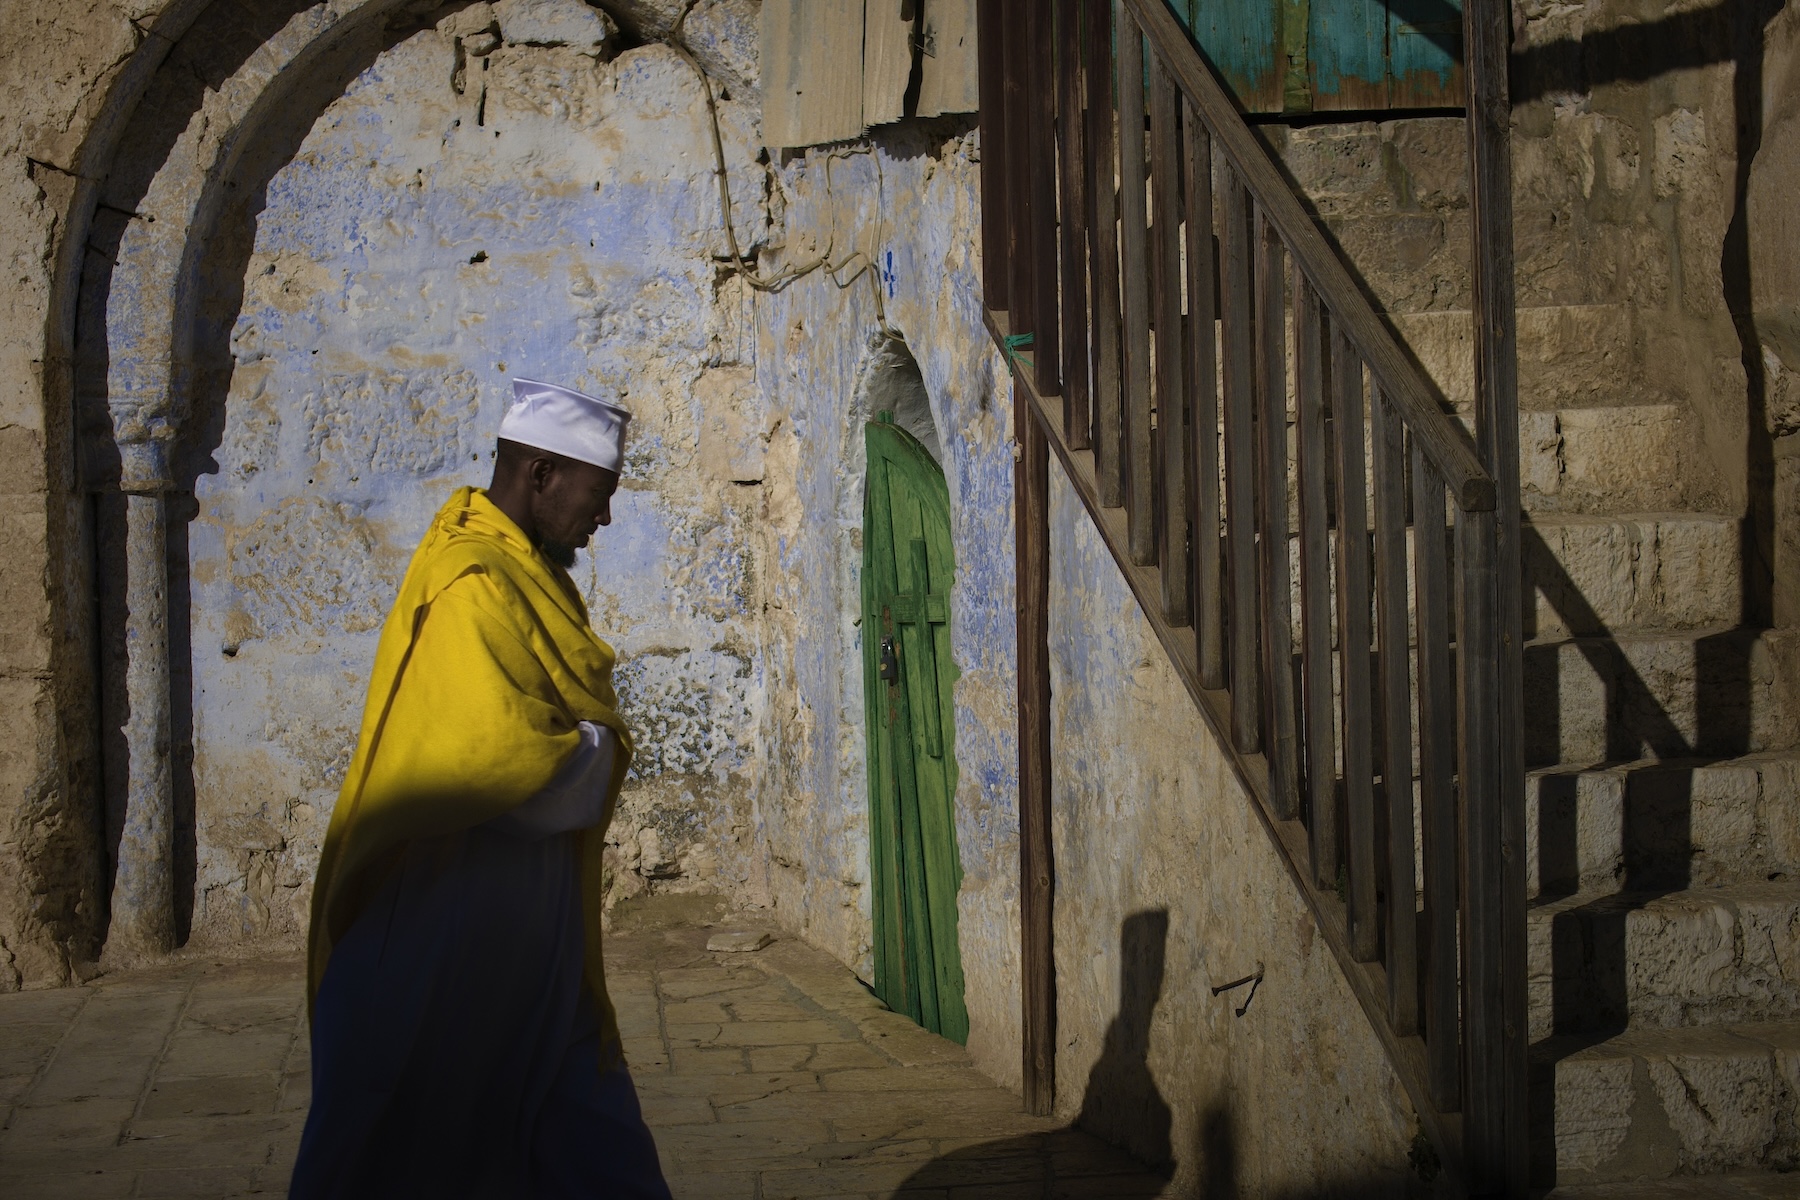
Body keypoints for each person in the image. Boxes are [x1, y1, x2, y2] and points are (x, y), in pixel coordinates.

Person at [289, 379, 672, 1199]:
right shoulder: (473, 584)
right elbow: (501, 763)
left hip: (529, 941)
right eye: (598, 495)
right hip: (445, 940)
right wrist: (599, 752)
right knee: (387, 1144)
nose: (602, 520)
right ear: (540, 474)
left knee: (590, 1143)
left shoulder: (516, 570)